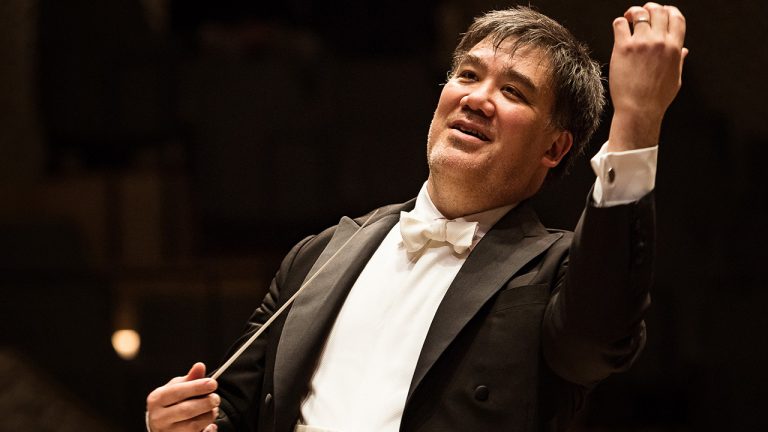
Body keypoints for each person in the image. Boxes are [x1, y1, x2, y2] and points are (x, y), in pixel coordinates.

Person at [146, 3, 687, 431]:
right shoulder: (322, 253)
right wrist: (185, 425)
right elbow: (233, 412)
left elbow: (597, 337)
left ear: (555, 148)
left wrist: (637, 121)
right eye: (468, 75)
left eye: (513, 91)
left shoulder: (555, 274)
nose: (478, 98)